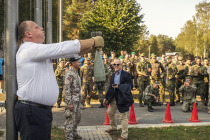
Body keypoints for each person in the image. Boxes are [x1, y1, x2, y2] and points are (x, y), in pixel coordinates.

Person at [14, 20, 104, 140]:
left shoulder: (37, 51)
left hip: (38, 110)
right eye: (36, 27)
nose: (42, 28)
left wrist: (90, 49)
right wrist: (92, 41)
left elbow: (69, 53)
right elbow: (61, 48)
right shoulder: (29, 49)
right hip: (33, 111)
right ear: (28, 34)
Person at [103, 60, 133, 140]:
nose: (116, 66)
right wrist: (106, 97)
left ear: (121, 65)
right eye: (114, 64)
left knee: (123, 116)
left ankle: (124, 135)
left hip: (122, 98)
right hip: (113, 97)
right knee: (110, 112)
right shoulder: (113, 75)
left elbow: (130, 86)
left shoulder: (126, 74)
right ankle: (113, 127)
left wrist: (119, 86)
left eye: (118, 64)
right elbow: (110, 87)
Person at [63, 56, 83, 140]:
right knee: (70, 120)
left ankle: (74, 134)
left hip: (77, 100)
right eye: (78, 62)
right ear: (73, 63)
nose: (80, 63)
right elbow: (66, 89)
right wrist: (69, 103)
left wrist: (80, 96)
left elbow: (77, 86)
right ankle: (69, 137)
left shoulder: (76, 72)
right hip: (72, 101)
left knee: (77, 118)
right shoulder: (69, 73)